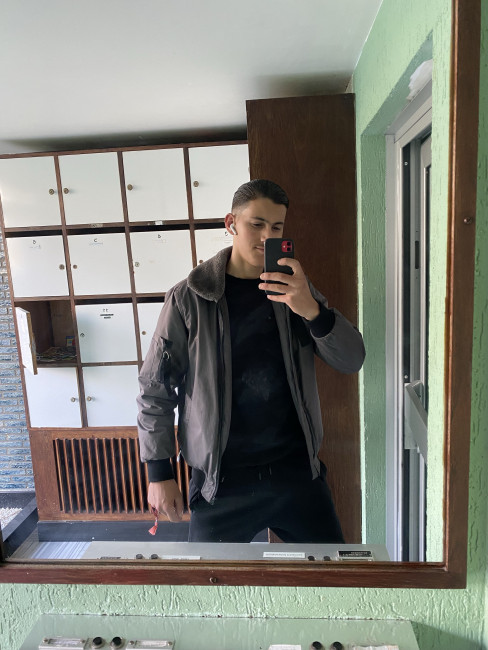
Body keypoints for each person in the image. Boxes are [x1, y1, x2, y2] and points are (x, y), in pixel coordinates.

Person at [136, 179, 365, 543]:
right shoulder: (190, 298)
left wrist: (311, 309)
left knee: (332, 573)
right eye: (256, 224)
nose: (266, 236)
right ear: (231, 224)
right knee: (211, 579)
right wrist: (158, 473)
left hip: (296, 474)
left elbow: (351, 359)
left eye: (276, 227)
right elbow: (155, 388)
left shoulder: (294, 289)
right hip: (221, 484)